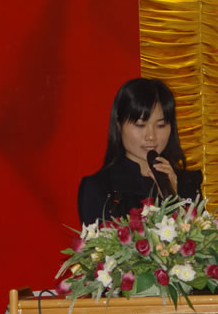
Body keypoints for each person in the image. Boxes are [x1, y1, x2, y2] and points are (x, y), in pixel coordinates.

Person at [77, 78, 202, 225]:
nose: (151, 136)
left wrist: (173, 200)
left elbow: (200, 237)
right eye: (140, 125)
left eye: (161, 125)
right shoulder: (99, 188)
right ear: (119, 125)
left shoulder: (188, 184)